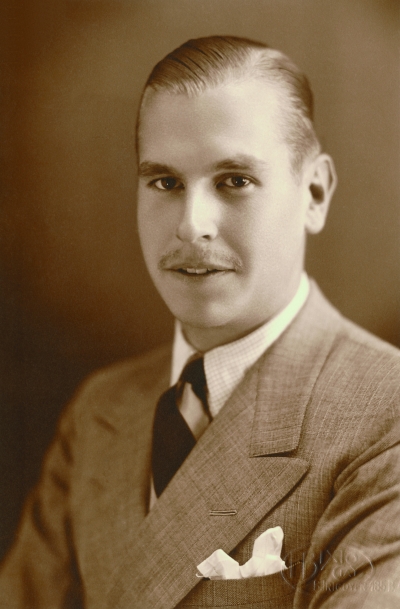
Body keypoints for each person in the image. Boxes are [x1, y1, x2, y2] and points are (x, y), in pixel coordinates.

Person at [0, 35, 399, 609]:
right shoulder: (101, 411)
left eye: (234, 180)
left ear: (314, 192)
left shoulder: (386, 420)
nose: (192, 225)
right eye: (165, 182)